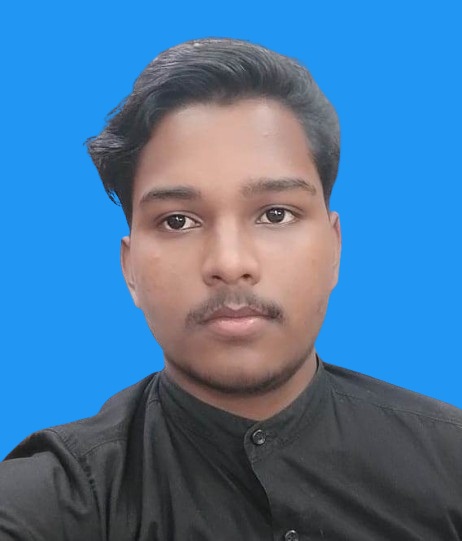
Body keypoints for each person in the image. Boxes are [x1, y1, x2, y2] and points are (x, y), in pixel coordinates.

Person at [1, 37, 461, 541]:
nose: (230, 263)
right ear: (130, 269)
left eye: (276, 214)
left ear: (334, 248)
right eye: (178, 221)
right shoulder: (60, 497)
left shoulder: (450, 462)